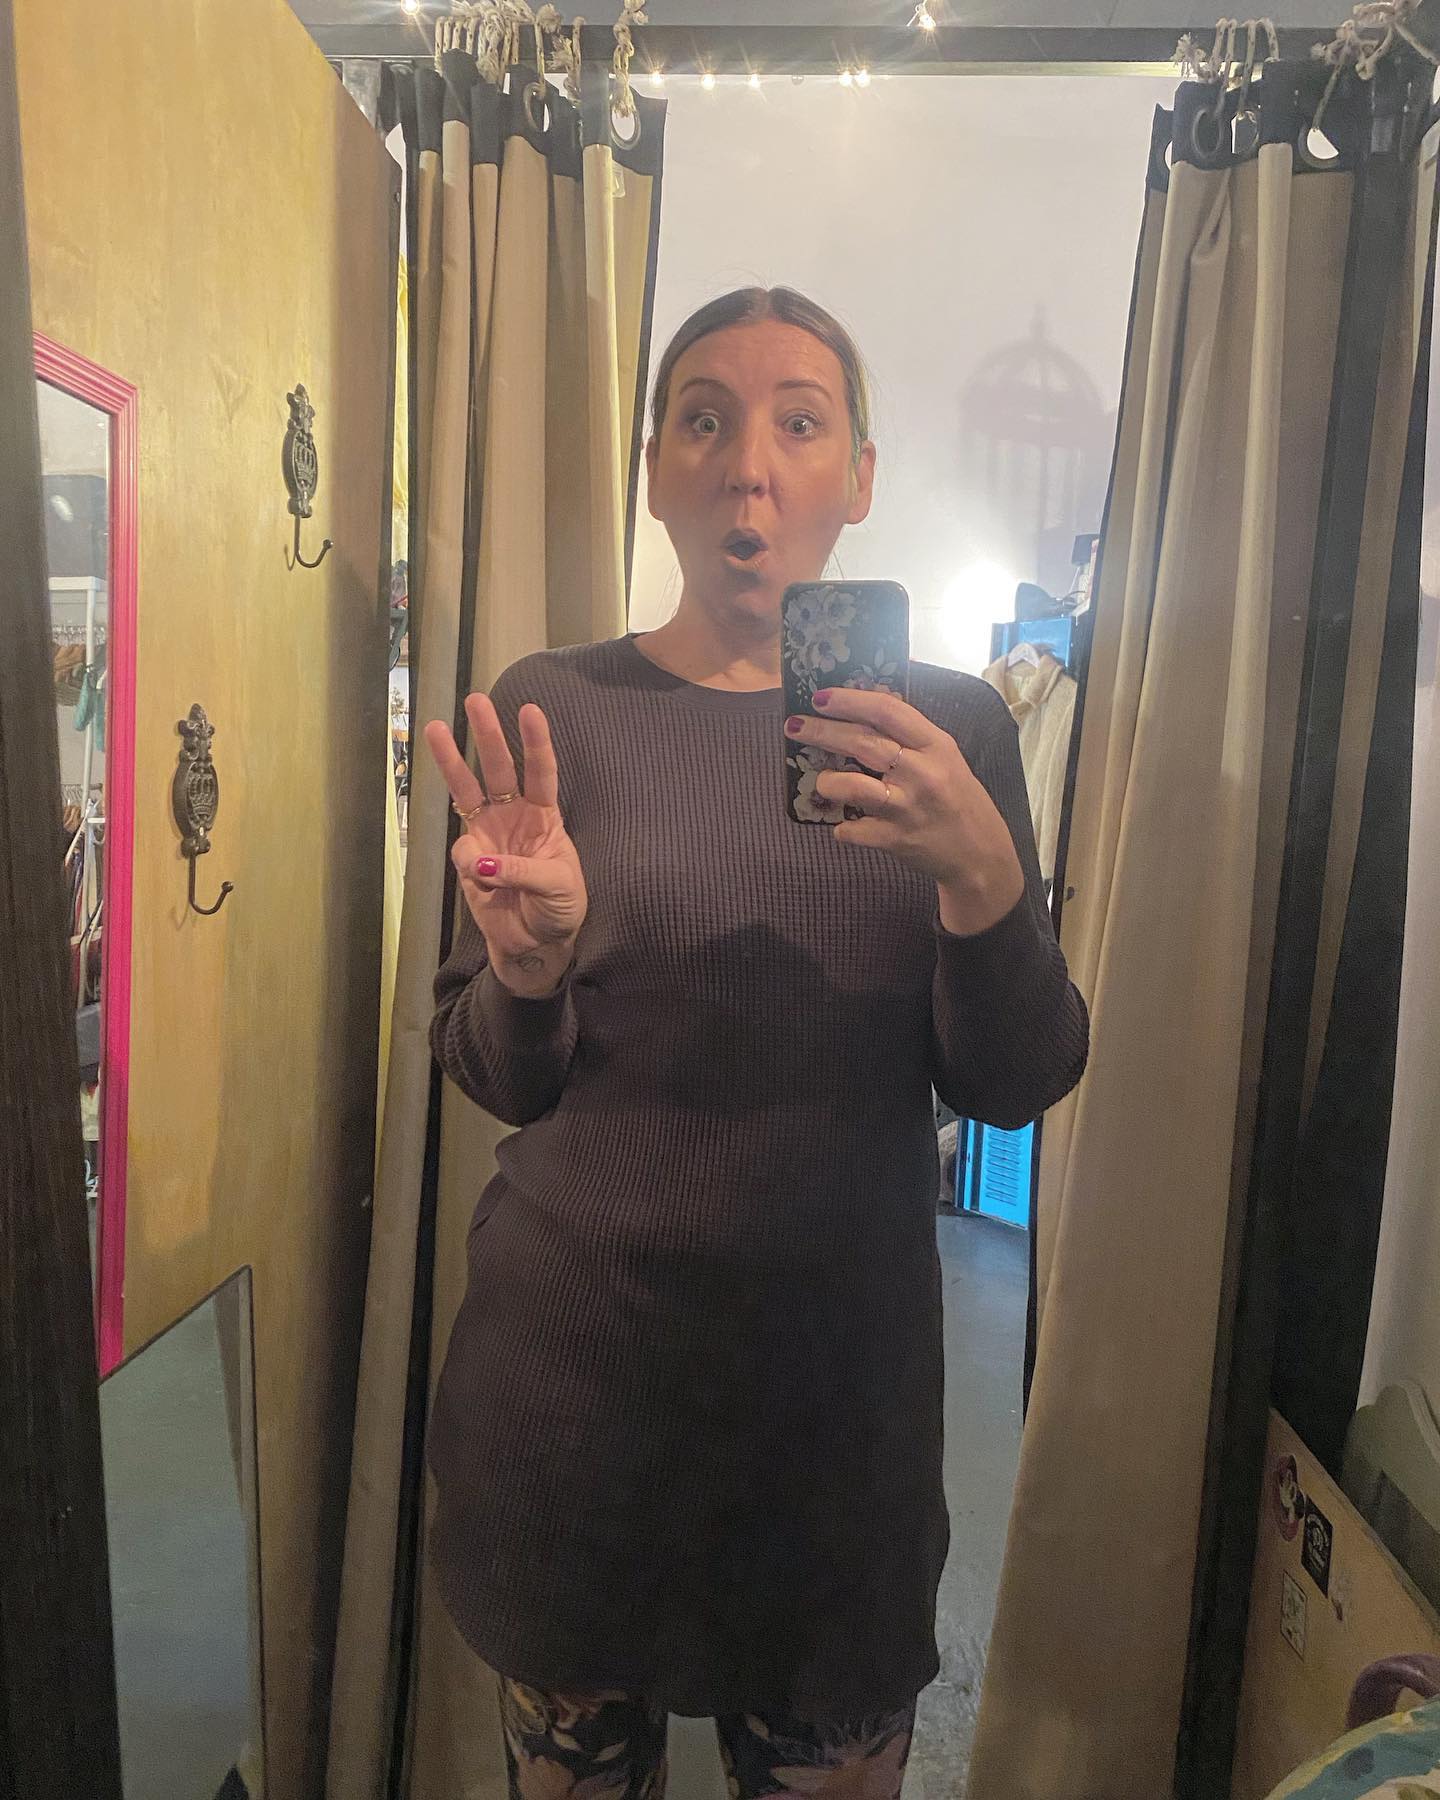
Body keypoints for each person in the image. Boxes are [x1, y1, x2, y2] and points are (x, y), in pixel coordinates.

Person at [422, 286, 1089, 1800]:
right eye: (704, 420)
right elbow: (495, 1074)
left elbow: (1016, 1079)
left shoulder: (953, 733)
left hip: (834, 1429)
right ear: (655, 468)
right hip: (573, 1401)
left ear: (861, 476)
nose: (749, 465)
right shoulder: (555, 709)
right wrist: (528, 968)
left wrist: (985, 884)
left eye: (801, 422)